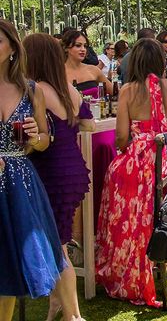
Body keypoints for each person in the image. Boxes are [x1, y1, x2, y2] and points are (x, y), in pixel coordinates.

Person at [95, 39, 167, 307]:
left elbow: (121, 139)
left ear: (134, 61)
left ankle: (130, 266)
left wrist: (140, 140)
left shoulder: (127, 91)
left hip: (139, 173)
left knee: (115, 176)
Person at [24, 33, 95, 321]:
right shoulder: (70, 89)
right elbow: (89, 124)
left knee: (58, 245)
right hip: (74, 171)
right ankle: (57, 303)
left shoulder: (36, 90)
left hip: (52, 173)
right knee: (58, 239)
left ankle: (74, 316)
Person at [0, 20, 64, 320]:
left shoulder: (31, 90)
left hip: (20, 185)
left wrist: (35, 134)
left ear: (13, 48)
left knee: (10, 270)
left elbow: (42, 143)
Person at [62, 30, 115, 223]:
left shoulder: (93, 70)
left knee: (106, 145)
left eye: (85, 45)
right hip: (75, 127)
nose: (83, 49)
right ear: (67, 47)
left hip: (100, 125)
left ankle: (106, 210)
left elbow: (114, 91)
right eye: (78, 45)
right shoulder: (59, 72)